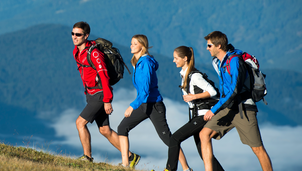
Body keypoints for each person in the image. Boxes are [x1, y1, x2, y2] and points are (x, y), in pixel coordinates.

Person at [200, 31, 273, 171]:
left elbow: (234, 90)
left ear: (219, 46)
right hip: (229, 108)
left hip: (244, 109)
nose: (207, 48)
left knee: (258, 149)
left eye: (209, 45)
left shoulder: (234, 61)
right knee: (204, 134)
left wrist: (214, 109)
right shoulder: (220, 62)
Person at [117, 35, 190, 170]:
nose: (131, 46)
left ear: (142, 46)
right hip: (144, 105)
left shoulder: (145, 63)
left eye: (134, 44)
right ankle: (125, 164)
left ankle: (186, 168)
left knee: (169, 140)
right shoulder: (137, 62)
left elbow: (144, 92)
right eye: (131, 43)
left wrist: (131, 106)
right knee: (122, 128)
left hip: (154, 106)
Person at [71, 21, 138, 165]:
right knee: (105, 130)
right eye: (73, 33)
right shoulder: (76, 51)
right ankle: (131, 157)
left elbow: (104, 76)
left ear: (86, 35)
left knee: (80, 123)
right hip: (91, 94)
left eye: (78, 34)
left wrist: (107, 99)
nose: (74, 37)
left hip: (100, 94)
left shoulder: (94, 54)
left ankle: (87, 158)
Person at [164, 46, 224, 171]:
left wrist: (194, 97)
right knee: (204, 152)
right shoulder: (185, 74)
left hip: (203, 116)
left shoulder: (195, 76)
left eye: (176, 58)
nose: (173, 61)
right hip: (196, 116)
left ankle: (169, 170)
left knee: (175, 138)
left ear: (185, 58)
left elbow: (212, 91)